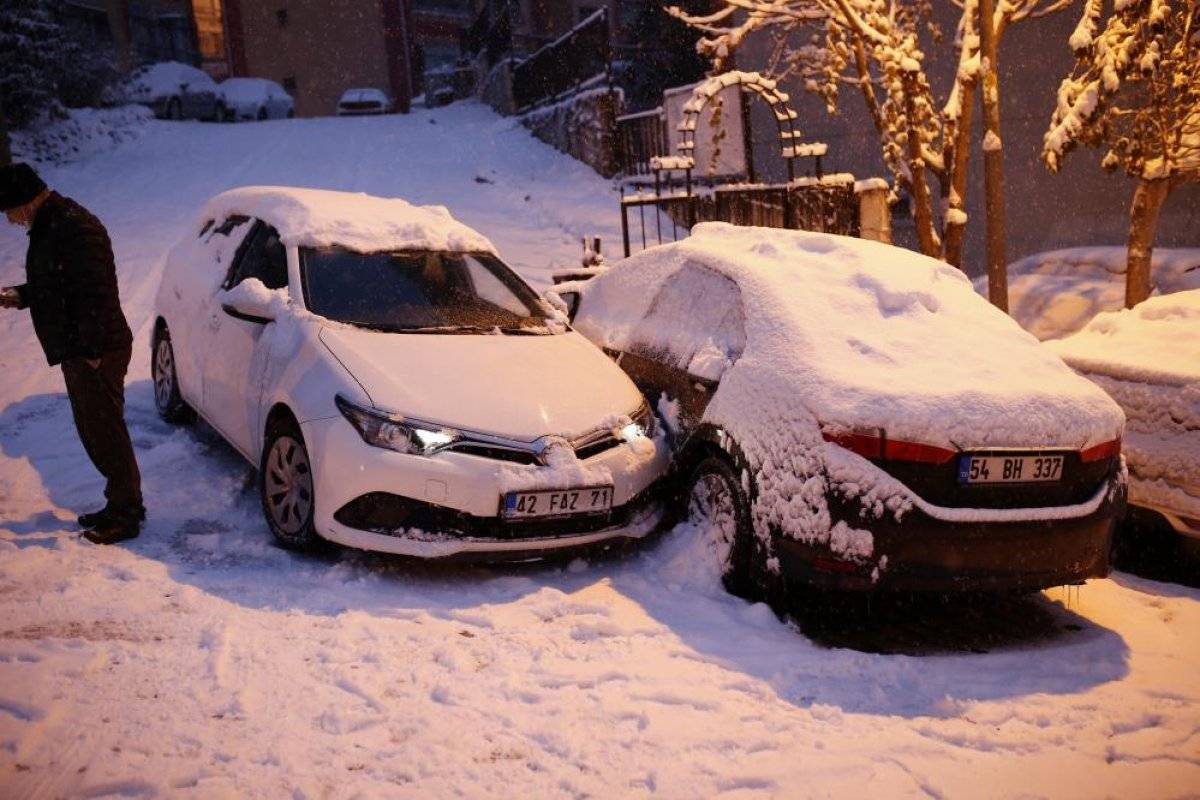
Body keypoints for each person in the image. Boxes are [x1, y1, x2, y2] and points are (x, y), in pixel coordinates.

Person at [0, 163, 144, 544]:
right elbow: (57, 281)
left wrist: (93, 351)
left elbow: (93, 293)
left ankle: (126, 514)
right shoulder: (52, 224)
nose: (10, 221)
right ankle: (119, 504)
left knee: (106, 433)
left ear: (26, 202)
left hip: (96, 350)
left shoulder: (74, 226)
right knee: (96, 432)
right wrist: (21, 295)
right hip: (81, 349)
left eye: (9, 211)